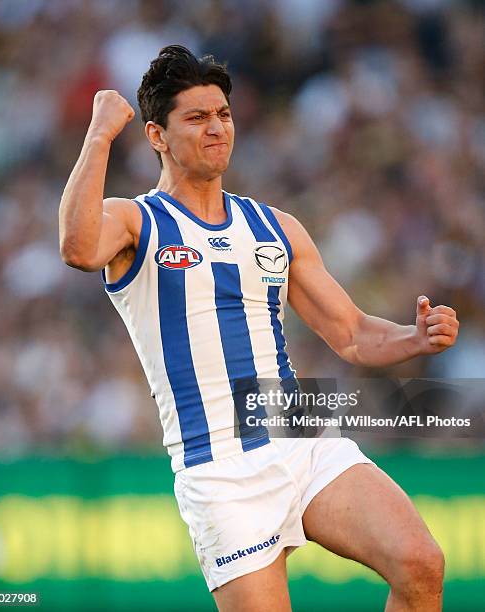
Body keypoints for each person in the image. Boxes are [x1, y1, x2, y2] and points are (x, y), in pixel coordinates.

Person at [59, 45, 459, 612]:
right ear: (156, 135)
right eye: (196, 118)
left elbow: (351, 333)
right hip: (218, 465)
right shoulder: (135, 220)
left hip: (300, 437)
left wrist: (414, 337)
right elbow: (76, 249)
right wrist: (99, 135)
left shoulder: (275, 226)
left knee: (421, 563)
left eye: (222, 114)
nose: (216, 127)